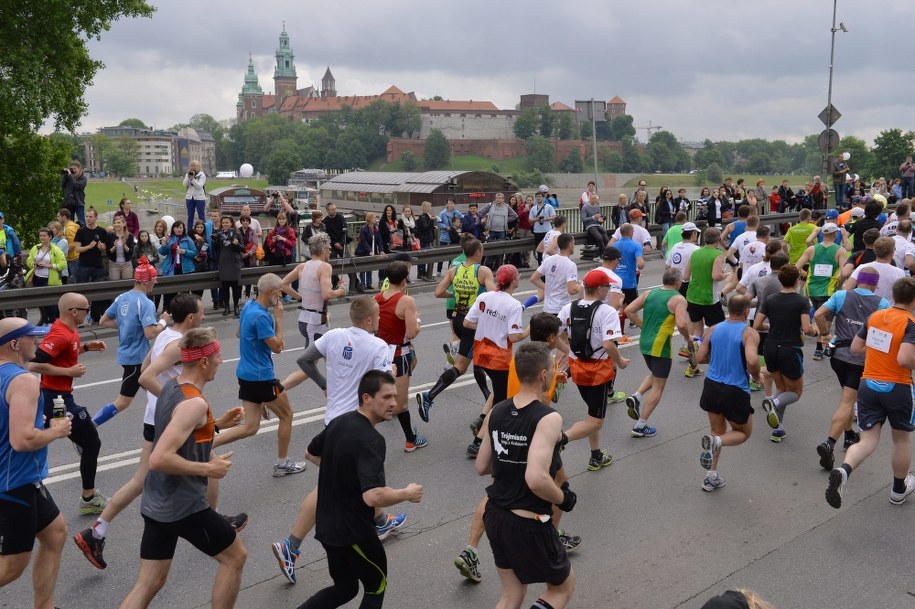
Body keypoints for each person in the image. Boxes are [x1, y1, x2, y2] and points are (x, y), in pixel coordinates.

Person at [73, 294, 244, 570]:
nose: (203, 316)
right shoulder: (178, 346)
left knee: (199, 463)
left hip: (161, 415)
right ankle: (213, 525)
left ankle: (97, 531)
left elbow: (145, 367)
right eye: (201, 312)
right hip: (167, 418)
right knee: (198, 467)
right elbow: (145, 377)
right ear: (191, 317)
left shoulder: (164, 335)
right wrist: (176, 399)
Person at [271, 297, 400, 585]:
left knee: (354, 479)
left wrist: (324, 384)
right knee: (330, 486)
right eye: (377, 315)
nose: (379, 320)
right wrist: (391, 372)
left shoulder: (333, 335)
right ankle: (290, 545)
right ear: (369, 319)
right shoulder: (377, 346)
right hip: (354, 423)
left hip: (333, 421)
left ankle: (380, 521)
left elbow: (304, 360)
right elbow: (381, 381)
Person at [118, 328, 247, 609]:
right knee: (235, 558)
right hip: (184, 505)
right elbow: (159, 458)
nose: (220, 362)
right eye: (217, 357)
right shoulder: (194, 403)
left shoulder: (171, 386)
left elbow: (181, 432)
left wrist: (218, 424)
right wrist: (207, 469)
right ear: (203, 362)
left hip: (156, 501)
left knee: (149, 582)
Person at [295, 370, 423, 609]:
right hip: (353, 532)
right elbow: (373, 495)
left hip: (327, 527)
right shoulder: (372, 439)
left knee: (345, 588)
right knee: (376, 586)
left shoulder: (339, 422)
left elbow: (310, 454)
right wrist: (407, 493)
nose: (393, 403)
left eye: (394, 397)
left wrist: (344, 470)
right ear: (366, 398)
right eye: (386, 397)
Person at [475, 342, 577, 609]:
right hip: (527, 521)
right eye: (553, 369)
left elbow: (482, 465)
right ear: (543, 375)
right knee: (561, 588)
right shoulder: (548, 418)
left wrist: (510, 456)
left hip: (495, 515)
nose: (555, 374)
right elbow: (536, 478)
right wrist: (564, 499)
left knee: (512, 593)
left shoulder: (497, 410)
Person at [826, 277, 915, 509]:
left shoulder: (875, 316)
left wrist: (880, 352)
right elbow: (905, 359)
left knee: (867, 440)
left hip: (868, 384)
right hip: (897, 386)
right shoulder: (910, 322)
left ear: (893, 296)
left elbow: (856, 348)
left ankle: (844, 470)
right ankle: (898, 490)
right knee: (901, 440)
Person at [0, 318, 70, 609]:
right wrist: (55, 431)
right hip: (13, 481)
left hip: (18, 478)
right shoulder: (24, 379)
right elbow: (22, 440)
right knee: (12, 566)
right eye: (33, 338)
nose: (39, 343)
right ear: (16, 344)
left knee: (55, 533)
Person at [215, 273, 306, 477]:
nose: (282, 295)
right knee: (287, 415)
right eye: (280, 291)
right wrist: (279, 320)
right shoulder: (263, 316)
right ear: (271, 292)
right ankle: (282, 464)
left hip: (246, 374)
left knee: (251, 426)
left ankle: (204, 443)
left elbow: (239, 333)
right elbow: (278, 347)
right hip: (262, 376)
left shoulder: (248, 306)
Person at [27, 292, 106, 516]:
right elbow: (34, 365)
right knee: (91, 442)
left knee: (35, 441)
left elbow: (64, 353)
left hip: (59, 396)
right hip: (55, 398)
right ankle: (88, 498)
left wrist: (87, 347)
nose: (88, 312)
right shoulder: (61, 334)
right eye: (86, 310)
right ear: (74, 312)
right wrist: (68, 372)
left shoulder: (69, 331)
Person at [812, 267, 887, 470]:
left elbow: (819, 314)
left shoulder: (841, 295)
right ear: (875, 284)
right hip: (860, 359)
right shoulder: (882, 304)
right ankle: (829, 442)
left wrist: (826, 334)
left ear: (859, 280)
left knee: (846, 397)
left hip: (838, 356)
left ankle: (848, 435)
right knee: (848, 401)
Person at [417, 239, 496, 422]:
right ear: (477, 253)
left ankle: (488, 399)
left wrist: (456, 294)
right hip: (473, 323)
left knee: (478, 361)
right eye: (481, 251)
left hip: (458, 319)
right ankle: (429, 396)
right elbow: (493, 295)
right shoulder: (482, 271)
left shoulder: (455, 270)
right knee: (461, 366)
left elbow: (438, 292)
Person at [559, 269, 629, 472]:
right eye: (607, 286)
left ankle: (595, 455)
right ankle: (560, 440)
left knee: (591, 415)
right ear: (599, 289)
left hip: (577, 369)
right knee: (596, 421)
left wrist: (567, 351)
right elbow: (608, 345)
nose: (609, 289)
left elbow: (553, 334)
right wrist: (621, 362)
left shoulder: (568, 308)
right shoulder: (607, 311)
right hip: (597, 372)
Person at [695, 296, 761, 491]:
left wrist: (717, 359)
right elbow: (752, 360)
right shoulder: (749, 333)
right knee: (742, 433)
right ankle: (717, 442)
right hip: (735, 389)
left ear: (729, 309)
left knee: (717, 430)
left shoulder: (713, 329)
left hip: (712, 385)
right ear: (746, 311)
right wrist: (757, 377)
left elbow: (699, 357)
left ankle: (710, 476)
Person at [93, 259, 170, 427]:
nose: (155, 283)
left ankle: (168, 429)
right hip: (138, 359)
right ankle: (89, 428)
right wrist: (163, 322)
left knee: (162, 395)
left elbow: (103, 321)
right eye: (153, 279)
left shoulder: (122, 298)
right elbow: (150, 333)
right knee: (124, 401)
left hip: (129, 355)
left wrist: (127, 325)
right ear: (145, 281)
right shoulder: (146, 303)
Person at [463, 264, 527, 455]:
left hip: (481, 354)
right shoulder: (513, 305)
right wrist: (531, 329)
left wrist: (487, 327)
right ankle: (477, 441)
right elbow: (514, 337)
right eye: (518, 276)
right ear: (514, 281)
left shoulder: (484, 297)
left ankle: (482, 418)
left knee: (499, 392)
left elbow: (467, 322)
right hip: (499, 359)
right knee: (502, 402)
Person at [623, 268, 693, 438]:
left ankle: (637, 396)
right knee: (659, 386)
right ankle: (640, 426)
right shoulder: (678, 299)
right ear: (678, 283)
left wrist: (643, 326)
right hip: (660, 345)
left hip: (645, 342)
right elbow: (682, 324)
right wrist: (688, 339)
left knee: (656, 374)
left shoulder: (649, 293)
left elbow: (628, 311)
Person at [753, 265, 818, 442]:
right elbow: (806, 328)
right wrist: (815, 332)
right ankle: (773, 402)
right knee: (795, 393)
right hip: (790, 349)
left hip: (771, 347)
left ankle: (778, 429)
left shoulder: (771, 299)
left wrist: (771, 326)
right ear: (797, 281)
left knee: (781, 389)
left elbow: (757, 325)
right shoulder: (802, 301)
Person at [374, 261, 427, 452]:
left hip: (381, 352)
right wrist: (418, 318)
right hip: (398, 353)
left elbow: (374, 327)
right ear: (405, 279)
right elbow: (412, 333)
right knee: (402, 404)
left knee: (414, 361)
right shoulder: (405, 301)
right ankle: (410, 440)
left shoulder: (377, 298)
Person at [795, 223, 847, 359]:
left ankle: (820, 344)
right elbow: (845, 272)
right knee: (826, 321)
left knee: (819, 318)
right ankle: (819, 348)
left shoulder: (811, 249)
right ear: (835, 235)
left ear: (822, 234)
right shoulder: (840, 251)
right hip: (829, 290)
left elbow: (796, 267)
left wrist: (808, 275)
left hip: (811, 289)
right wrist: (839, 284)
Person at [683, 227, 727, 376]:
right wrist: (724, 275)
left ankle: (693, 366)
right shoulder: (718, 254)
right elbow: (715, 276)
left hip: (692, 296)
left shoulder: (695, 253)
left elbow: (686, 276)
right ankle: (719, 364)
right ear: (718, 240)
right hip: (709, 299)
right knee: (719, 331)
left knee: (697, 331)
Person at [74, 207, 110, 321]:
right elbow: (77, 249)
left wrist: (101, 247)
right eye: (87, 216)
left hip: (97, 265)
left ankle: (96, 316)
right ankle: (81, 317)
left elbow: (104, 248)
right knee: (82, 291)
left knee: (98, 291)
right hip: (84, 265)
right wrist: (88, 247)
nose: (88, 219)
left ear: (96, 218)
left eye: (90, 217)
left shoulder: (102, 231)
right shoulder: (81, 231)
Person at [844, 236, 905, 303]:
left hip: (863, 309)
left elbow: (846, 290)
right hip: (886, 311)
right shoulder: (899, 273)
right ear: (892, 253)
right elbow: (902, 298)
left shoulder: (863, 267)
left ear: (875, 250)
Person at [25, 227, 66, 325]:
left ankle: (52, 322)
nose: (42, 238)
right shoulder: (36, 248)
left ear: (50, 237)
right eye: (40, 235)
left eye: (44, 236)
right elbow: (29, 260)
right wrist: (33, 264)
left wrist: (49, 265)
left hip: (50, 280)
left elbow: (62, 264)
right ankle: (44, 320)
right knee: (40, 302)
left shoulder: (55, 249)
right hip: (37, 278)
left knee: (51, 303)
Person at [530, 234, 579, 316]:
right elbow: (571, 290)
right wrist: (580, 286)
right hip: (561, 309)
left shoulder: (548, 259)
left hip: (547, 308)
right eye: (573, 244)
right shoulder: (571, 265)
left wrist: (547, 288)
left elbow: (533, 278)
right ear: (570, 245)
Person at [158, 219, 197, 312]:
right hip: (172, 268)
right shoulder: (170, 239)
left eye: (181, 227)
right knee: (170, 291)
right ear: (173, 229)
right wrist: (163, 245)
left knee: (185, 291)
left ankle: (185, 310)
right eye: (177, 227)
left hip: (185, 269)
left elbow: (194, 253)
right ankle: (167, 310)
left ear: (183, 229)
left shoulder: (188, 239)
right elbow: (162, 252)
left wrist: (185, 252)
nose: (179, 229)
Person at [211, 215, 244, 317]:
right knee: (224, 287)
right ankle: (226, 307)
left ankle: (236, 306)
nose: (225, 224)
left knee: (236, 287)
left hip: (234, 262)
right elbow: (216, 249)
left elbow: (242, 248)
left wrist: (236, 244)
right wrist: (214, 241)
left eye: (227, 222)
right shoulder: (219, 234)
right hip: (223, 262)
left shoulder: (236, 233)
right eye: (223, 223)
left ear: (231, 223)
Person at [355, 212, 382, 289]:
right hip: (363, 250)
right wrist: (369, 250)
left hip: (372, 249)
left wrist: (381, 250)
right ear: (369, 219)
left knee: (370, 267)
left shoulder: (376, 228)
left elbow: (379, 240)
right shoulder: (364, 229)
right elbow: (363, 241)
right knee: (363, 268)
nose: (375, 219)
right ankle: (363, 283)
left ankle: (369, 283)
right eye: (373, 217)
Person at [531, 190, 557, 264]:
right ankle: (540, 266)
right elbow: (530, 219)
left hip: (547, 231)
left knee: (548, 249)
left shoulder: (549, 207)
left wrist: (546, 218)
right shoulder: (533, 208)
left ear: (543, 198)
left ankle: (549, 264)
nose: (538, 198)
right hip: (537, 231)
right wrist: (537, 219)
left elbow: (554, 216)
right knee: (539, 250)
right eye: (537, 197)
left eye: (540, 197)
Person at [107, 214, 136, 281]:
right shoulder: (110, 235)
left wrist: (124, 245)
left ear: (124, 224)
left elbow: (131, 252)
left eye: (118, 222)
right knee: (114, 285)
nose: (116, 224)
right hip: (114, 265)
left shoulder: (130, 236)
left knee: (127, 284)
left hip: (127, 265)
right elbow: (108, 252)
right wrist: (114, 246)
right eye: (114, 223)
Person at [414, 200, 437, 280]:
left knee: (426, 256)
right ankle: (421, 272)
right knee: (423, 256)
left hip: (427, 239)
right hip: (424, 239)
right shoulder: (423, 217)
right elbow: (425, 227)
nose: (430, 208)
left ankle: (424, 272)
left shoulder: (427, 216)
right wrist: (432, 220)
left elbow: (428, 227)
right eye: (429, 207)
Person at [182, 160, 207, 228]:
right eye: (191, 166)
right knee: (190, 215)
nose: (193, 167)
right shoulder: (188, 174)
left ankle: (203, 230)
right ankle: (190, 231)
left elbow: (199, 186)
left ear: (198, 167)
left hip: (200, 198)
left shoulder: (202, 175)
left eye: (195, 166)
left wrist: (192, 179)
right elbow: (184, 184)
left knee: (201, 216)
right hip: (190, 197)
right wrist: (188, 177)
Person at [61, 159, 87, 224]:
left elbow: (77, 186)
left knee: (82, 222)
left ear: (79, 168)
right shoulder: (69, 177)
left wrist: (70, 176)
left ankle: (82, 233)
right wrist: (65, 176)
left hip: (79, 202)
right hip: (69, 203)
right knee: (70, 222)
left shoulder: (83, 178)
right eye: (72, 169)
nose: (73, 170)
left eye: (75, 168)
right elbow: (62, 186)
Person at [57, 208, 80, 281]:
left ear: (64, 217)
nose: (57, 218)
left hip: (73, 258)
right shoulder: (67, 227)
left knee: (74, 280)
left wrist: (62, 253)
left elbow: (73, 244)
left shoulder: (69, 229)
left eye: (58, 216)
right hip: (72, 258)